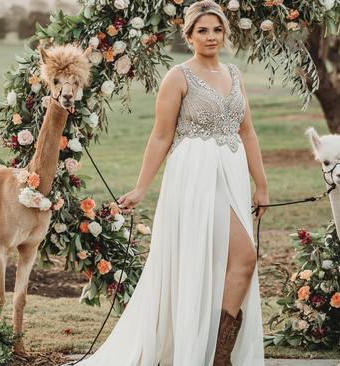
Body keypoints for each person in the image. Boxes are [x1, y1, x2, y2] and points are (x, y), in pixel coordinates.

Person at [71, 1, 269, 365]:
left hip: (232, 173)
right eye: (202, 30)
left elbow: (248, 132)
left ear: (226, 33)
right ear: (189, 36)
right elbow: (161, 137)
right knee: (234, 257)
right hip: (195, 176)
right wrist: (141, 187)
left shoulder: (234, 75)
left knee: (238, 261)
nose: (211, 37)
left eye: (217, 29)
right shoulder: (178, 77)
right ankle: (212, 355)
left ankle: (217, 352)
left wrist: (262, 185)